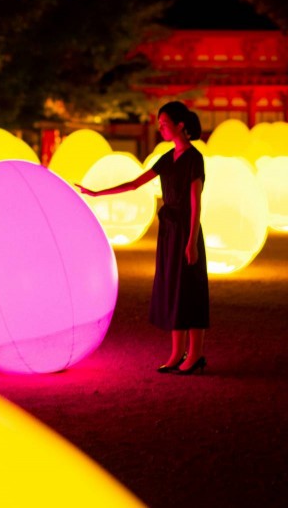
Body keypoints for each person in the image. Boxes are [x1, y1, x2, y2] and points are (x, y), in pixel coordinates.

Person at [76, 101, 209, 375]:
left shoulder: (194, 159)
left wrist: (192, 241)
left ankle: (195, 354)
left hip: (186, 230)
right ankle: (175, 353)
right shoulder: (166, 159)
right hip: (170, 231)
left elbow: (196, 202)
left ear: (180, 125)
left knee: (191, 290)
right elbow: (136, 183)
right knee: (173, 288)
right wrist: (97, 193)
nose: (160, 128)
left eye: (164, 124)